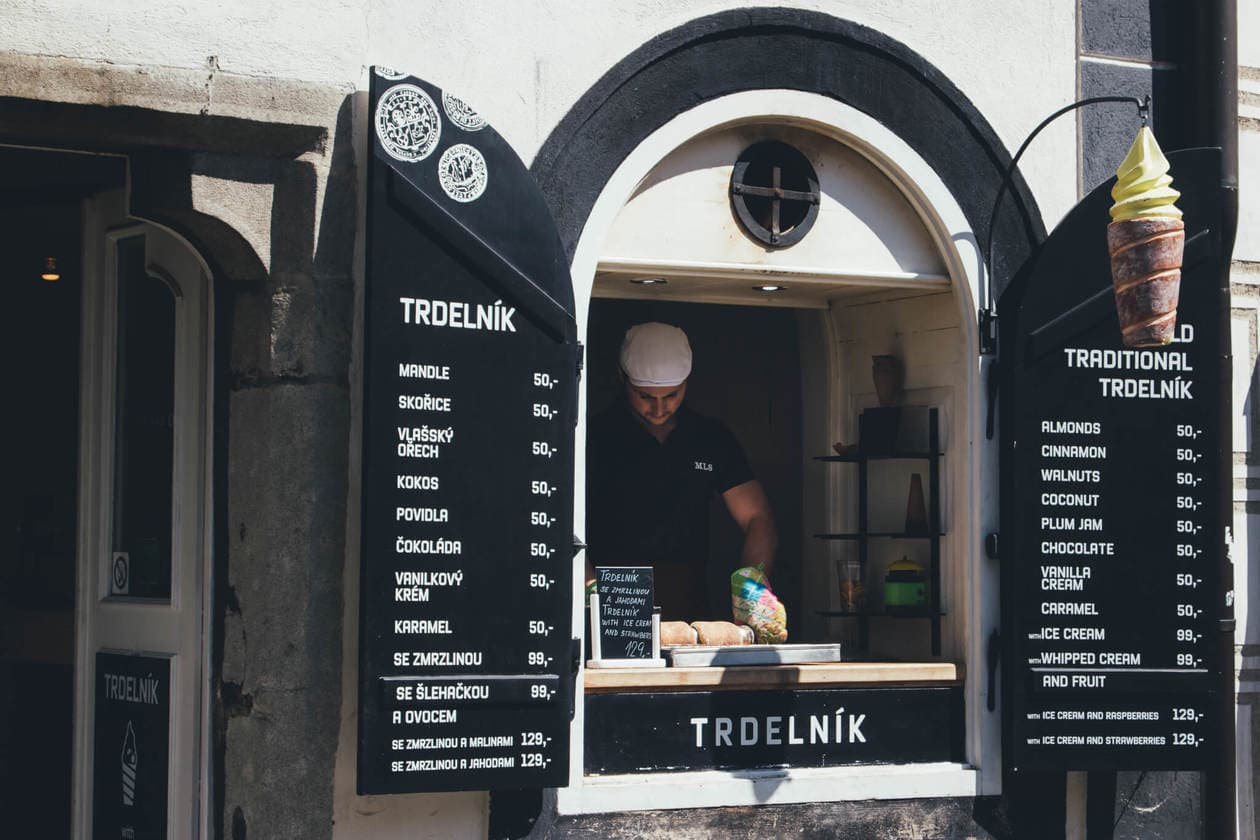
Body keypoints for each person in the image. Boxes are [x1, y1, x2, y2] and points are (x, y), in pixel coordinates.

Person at [585, 322, 777, 621]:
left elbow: (756, 517)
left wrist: (751, 586)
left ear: (687, 383)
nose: (659, 409)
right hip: (613, 589)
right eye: (646, 397)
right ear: (622, 379)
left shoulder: (710, 437)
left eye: (672, 395)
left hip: (689, 593)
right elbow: (563, 522)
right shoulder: (594, 435)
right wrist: (588, 588)